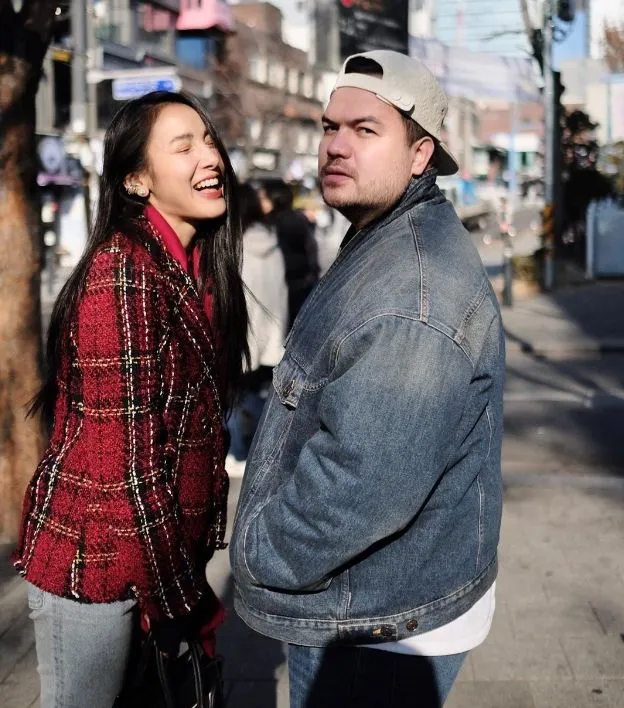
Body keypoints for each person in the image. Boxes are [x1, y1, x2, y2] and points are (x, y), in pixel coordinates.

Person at [230, 50, 504, 707]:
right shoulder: (386, 234)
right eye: (330, 127)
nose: (336, 145)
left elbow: (358, 489)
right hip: (378, 599)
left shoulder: (412, 295)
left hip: (377, 621)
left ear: (420, 154)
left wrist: (256, 552)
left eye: (365, 129)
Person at [12, 91, 249, 708]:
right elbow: (127, 472)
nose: (210, 157)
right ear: (137, 180)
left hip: (150, 560)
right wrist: (181, 605)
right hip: (95, 560)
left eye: (209, 140)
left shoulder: (190, 267)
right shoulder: (122, 275)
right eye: (183, 146)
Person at [227, 183, 288, 462]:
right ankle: (263, 450)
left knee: (235, 395)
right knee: (257, 395)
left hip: (243, 334)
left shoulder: (235, 246)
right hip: (271, 332)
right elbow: (281, 291)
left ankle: (238, 452)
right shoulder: (271, 242)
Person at [258, 179, 320, 327]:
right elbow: (311, 250)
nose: (259, 203)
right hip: (302, 285)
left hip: (280, 288)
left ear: (274, 198)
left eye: (263, 198)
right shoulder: (300, 219)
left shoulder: (270, 224)